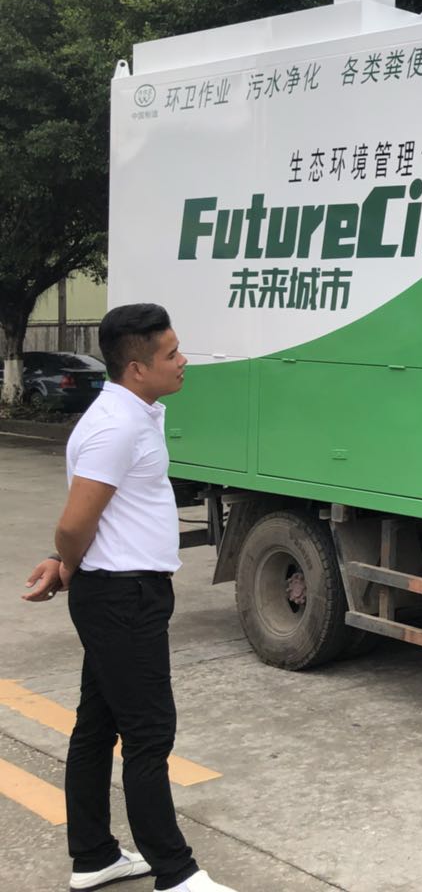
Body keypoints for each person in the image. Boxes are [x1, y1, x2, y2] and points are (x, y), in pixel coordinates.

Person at [22, 304, 235, 892]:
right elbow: (74, 524)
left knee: (97, 725)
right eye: (171, 353)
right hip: (122, 597)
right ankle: (177, 872)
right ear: (137, 367)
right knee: (148, 734)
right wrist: (66, 561)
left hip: (120, 592)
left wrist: (72, 564)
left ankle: (94, 857)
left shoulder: (133, 412)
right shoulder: (117, 426)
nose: (183, 360)